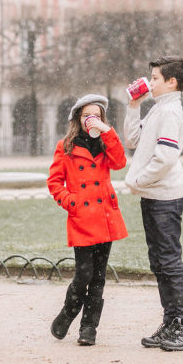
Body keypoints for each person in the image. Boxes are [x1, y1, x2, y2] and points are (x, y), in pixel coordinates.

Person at [123, 56, 183, 352]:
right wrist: (133, 106)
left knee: (168, 261)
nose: (150, 82)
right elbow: (133, 139)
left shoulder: (170, 111)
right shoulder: (159, 108)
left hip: (165, 196)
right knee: (159, 261)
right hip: (154, 195)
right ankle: (172, 322)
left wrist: (138, 180)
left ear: (172, 82)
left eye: (155, 78)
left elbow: (166, 157)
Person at [46, 94, 128, 346]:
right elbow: (54, 183)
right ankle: (68, 312)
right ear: (78, 118)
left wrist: (107, 131)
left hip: (105, 216)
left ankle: (89, 327)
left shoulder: (106, 143)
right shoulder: (66, 146)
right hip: (82, 217)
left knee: (99, 277)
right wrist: (72, 202)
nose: (91, 119)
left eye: (96, 115)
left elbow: (120, 162)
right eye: (86, 115)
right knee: (83, 274)